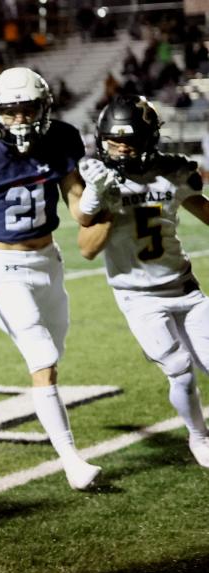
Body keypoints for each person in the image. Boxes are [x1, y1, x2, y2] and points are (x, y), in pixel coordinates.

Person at [0, 67, 102, 490]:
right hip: (6, 267)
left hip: (49, 260)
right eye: (11, 112)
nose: (21, 120)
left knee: (53, 349)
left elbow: (79, 209)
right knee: (42, 362)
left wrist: (95, 194)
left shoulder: (61, 139)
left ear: (44, 109)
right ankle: (71, 459)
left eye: (29, 109)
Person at [77, 94, 209, 468]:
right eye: (112, 142)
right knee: (180, 372)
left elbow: (204, 211)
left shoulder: (174, 172)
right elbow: (86, 247)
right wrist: (98, 201)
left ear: (149, 139)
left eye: (128, 142)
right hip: (138, 297)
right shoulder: (99, 179)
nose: (119, 150)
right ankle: (199, 438)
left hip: (184, 287)